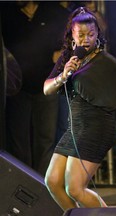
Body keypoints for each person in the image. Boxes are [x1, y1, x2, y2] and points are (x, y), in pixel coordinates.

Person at [43, 7, 116, 211]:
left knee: (75, 188)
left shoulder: (106, 62)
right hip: (75, 127)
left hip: (96, 127)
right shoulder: (69, 58)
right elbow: (47, 89)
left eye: (91, 34)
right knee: (52, 181)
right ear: (72, 36)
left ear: (98, 34)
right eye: (81, 35)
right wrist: (64, 75)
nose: (86, 39)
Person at [1, 1, 69, 176]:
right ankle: (23, 182)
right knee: (18, 142)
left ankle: (42, 184)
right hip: (17, 90)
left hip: (47, 87)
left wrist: (63, 53)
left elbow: (71, 40)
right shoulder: (7, 14)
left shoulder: (54, 12)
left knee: (45, 140)